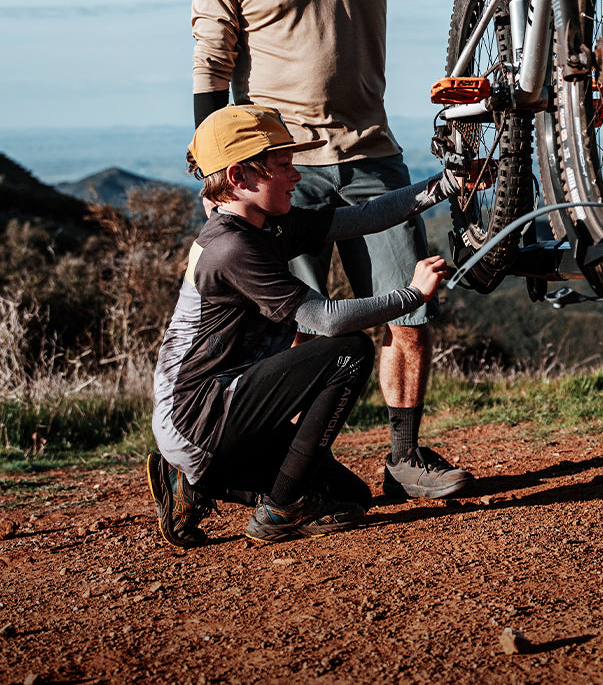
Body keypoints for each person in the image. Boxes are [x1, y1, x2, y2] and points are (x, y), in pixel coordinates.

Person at [191, 0, 502, 500]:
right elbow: (211, 68)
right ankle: (288, 470)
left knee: (409, 314)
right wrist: (218, 180)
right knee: (294, 335)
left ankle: (404, 458)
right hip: (278, 172)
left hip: (370, 155)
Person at [148, 104, 464, 548]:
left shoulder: (263, 223)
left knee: (350, 496)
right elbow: (325, 319)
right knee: (349, 351)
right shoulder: (233, 247)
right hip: (200, 412)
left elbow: (359, 218)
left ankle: (192, 481)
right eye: (283, 165)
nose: (296, 175)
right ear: (239, 177)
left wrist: (444, 186)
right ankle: (280, 510)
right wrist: (411, 295)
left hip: (219, 410)